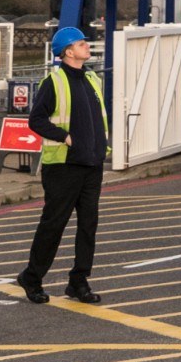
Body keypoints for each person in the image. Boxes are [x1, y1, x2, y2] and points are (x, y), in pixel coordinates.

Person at [15, 27, 109, 305]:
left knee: (88, 225)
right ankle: (32, 277)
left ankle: (78, 282)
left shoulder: (92, 78)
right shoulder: (53, 81)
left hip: (92, 163)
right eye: (82, 44)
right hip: (64, 166)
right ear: (68, 51)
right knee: (53, 224)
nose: (87, 47)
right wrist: (64, 136)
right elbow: (36, 120)